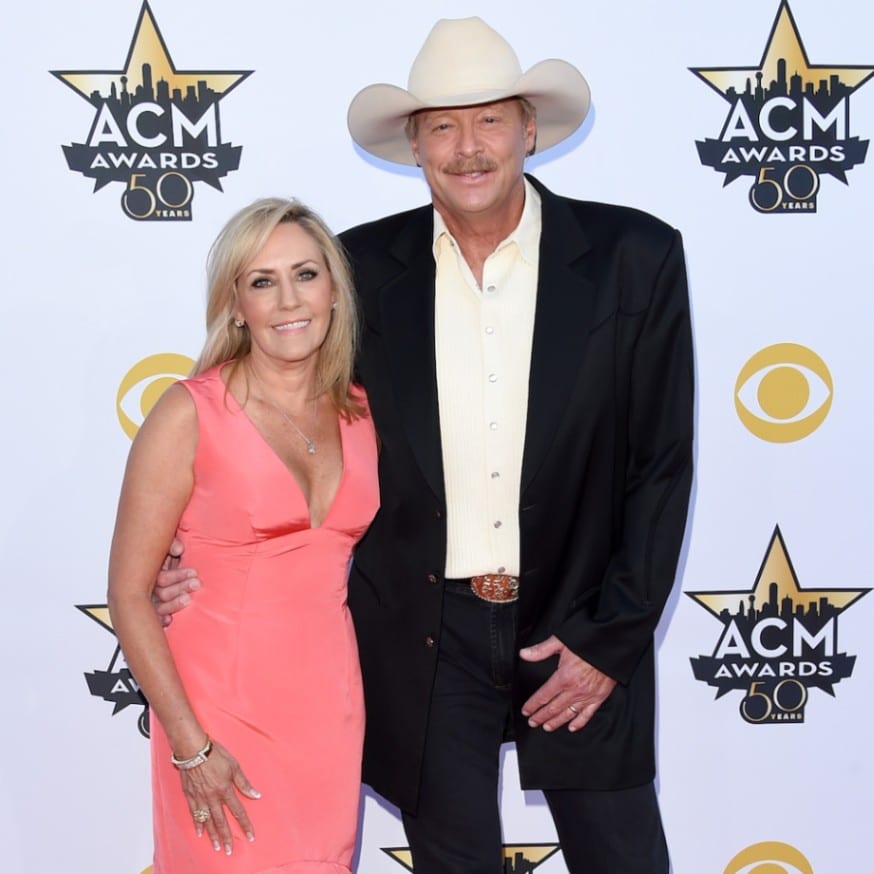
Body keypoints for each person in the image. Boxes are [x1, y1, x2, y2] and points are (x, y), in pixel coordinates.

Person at [157, 17, 694, 874]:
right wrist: (180, 556)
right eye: (442, 124)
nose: (468, 146)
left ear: (528, 129)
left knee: (624, 859)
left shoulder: (636, 257)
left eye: (489, 120)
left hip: (582, 627)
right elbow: (265, 408)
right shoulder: (358, 270)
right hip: (425, 637)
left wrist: (613, 639)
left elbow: (661, 466)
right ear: (413, 144)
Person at [108, 198, 379, 873]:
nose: (289, 299)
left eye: (306, 275)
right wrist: (188, 745)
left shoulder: (366, 413)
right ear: (235, 304)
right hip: (216, 712)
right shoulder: (188, 413)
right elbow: (130, 594)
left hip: (329, 711)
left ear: (335, 293)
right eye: (262, 281)